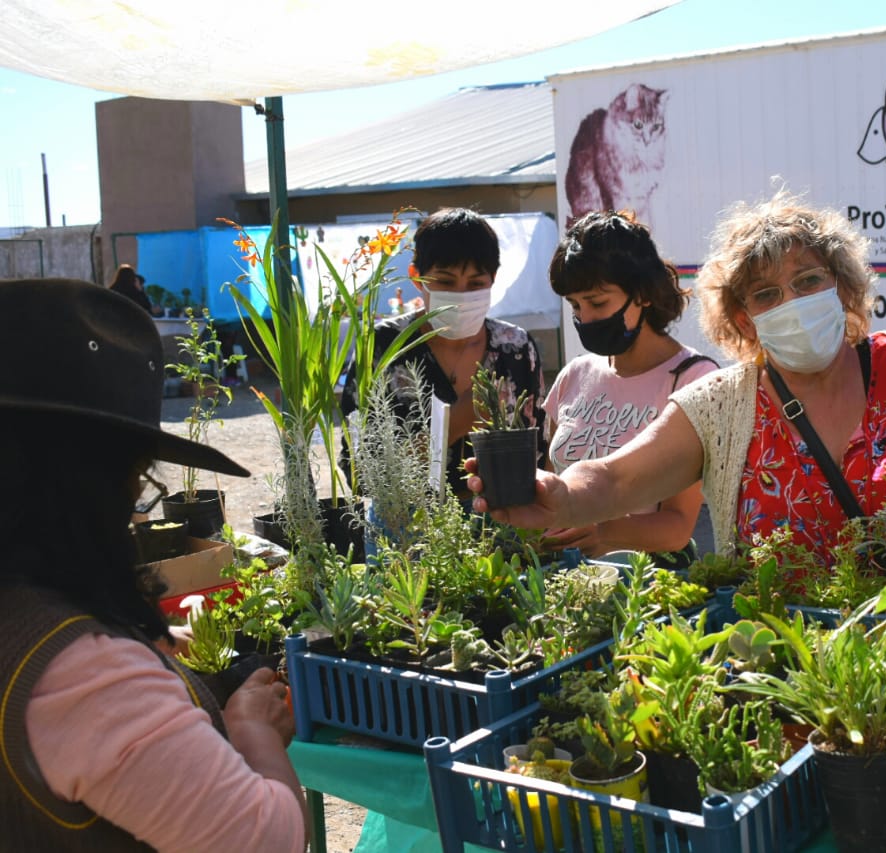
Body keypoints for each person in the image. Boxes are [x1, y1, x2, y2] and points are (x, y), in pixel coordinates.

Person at [469, 191, 886, 574]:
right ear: (743, 318)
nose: (792, 302)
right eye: (767, 294)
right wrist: (560, 494)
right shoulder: (720, 404)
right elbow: (617, 477)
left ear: (842, 285)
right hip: (785, 670)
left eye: (809, 280)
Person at [0, 278, 306, 850]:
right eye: (135, 484)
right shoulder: (80, 675)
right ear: (82, 488)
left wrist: (141, 651)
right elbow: (266, 838)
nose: (135, 514)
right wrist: (251, 730)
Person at [541, 211, 718, 564]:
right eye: (575, 305)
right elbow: (550, 489)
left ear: (644, 294)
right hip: (567, 581)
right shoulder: (574, 374)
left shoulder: (694, 379)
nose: (585, 318)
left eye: (597, 302)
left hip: (648, 590)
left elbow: (679, 525)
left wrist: (603, 533)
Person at [340, 208, 546, 503]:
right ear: (416, 277)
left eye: (476, 284)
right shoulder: (383, 348)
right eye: (446, 282)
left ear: (494, 278)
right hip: (412, 536)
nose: (461, 296)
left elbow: (538, 457)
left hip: (505, 534)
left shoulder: (515, 349)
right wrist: (453, 424)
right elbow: (361, 473)